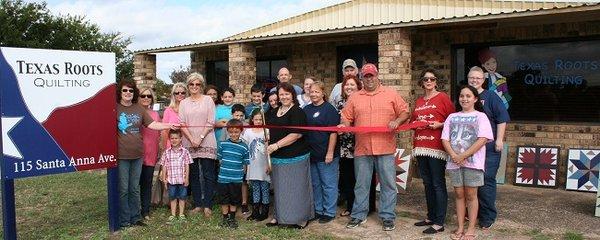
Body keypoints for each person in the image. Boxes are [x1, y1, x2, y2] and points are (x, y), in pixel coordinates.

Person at [339, 63, 409, 231]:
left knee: (388, 184)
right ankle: (358, 215)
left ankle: (387, 216)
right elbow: (346, 117)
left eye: (372, 75)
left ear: (377, 76)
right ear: (361, 78)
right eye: (366, 76)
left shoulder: (391, 94)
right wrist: (344, 125)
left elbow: (405, 112)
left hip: (385, 148)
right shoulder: (354, 97)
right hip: (362, 149)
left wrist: (397, 121)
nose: (369, 79)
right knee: (361, 184)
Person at [116, 81, 178, 228]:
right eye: (125, 90)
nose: (128, 93)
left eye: (131, 91)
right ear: (120, 92)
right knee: (124, 189)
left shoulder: (139, 109)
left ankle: (136, 217)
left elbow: (152, 124)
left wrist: (169, 125)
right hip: (121, 155)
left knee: (134, 188)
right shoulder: (115, 108)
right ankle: (125, 220)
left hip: (138, 154)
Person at [441, 85, 494, 240]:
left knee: (471, 195)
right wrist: (454, 155)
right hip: (454, 162)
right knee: (458, 194)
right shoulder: (451, 117)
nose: (464, 99)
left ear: (475, 99)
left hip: (473, 162)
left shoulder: (481, 117)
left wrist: (463, 155)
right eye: (462, 96)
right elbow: (445, 138)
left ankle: (470, 229)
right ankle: (460, 227)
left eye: (468, 96)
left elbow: (483, 139)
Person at [411, 69, 455, 234]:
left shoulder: (443, 98)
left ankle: (439, 222)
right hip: (421, 146)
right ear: (422, 82)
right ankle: (431, 216)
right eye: (425, 79)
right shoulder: (419, 101)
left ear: (436, 82)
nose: (428, 81)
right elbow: (413, 120)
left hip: (436, 147)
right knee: (427, 183)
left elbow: (453, 119)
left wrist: (440, 125)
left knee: (437, 183)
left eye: (432, 79)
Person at [265, 82, 314, 229]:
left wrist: (276, 145)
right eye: (281, 94)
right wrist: (267, 137)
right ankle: (279, 216)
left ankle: (301, 218)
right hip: (277, 158)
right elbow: (269, 130)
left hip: (295, 157)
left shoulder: (298, 112)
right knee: (280, 189)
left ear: (292, 95)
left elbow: (296, 134)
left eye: (287, 94)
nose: (284, 97)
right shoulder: (273, 112)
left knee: (297, 189)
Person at [467, 66, 510, 230]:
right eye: (472, 78)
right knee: (471, 182)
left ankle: (487, 217)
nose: (474, 80)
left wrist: (499, 139)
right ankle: (472, 213)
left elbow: (502, 119)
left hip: (489, 149)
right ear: (468, 78)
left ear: (483, 80)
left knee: (486, 182)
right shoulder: (465, 97)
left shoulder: (491, 96)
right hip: (470, 149)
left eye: (478, 78)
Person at [179, 72, 218, 217]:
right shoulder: (183, 102)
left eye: (197, 84)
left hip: (207, 139)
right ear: (188, 86)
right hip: (189, 142)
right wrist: (191, 139)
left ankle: (208, 204)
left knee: (208, 174)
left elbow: (211, 122)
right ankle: (197, 204)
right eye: (191, 84)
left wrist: (200, 138)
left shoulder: (208, 100)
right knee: (193, 174)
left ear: (201, 86)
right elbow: (182, 123)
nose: (194, 86)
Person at [303, 80, 340, 224]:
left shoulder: (329, 109)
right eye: (311, 91)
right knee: (315, 184)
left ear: (323, 93)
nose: (313, 94)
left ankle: (329, 211)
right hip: (312, 154)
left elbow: (333, 133)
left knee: (328, 184)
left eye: (317, 91)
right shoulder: (306, 109)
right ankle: (318, 210)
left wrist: (330, 153)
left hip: (326, 154)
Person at [334, 75, 362, 217]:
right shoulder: (339, 102)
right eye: (346, 84)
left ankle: (364, 207)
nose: (349, 87)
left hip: (360, 144)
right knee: (347, 177)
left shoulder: (362, 100)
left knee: (361, 178)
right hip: (344, 145)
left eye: (352, 85)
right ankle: (350, 207)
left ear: (358, 87)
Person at [216, 119, 250, 229]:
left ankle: (232, 218)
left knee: (234, 200)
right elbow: (220, 160)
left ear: (241, 131)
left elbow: (245, 164)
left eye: (236, 132)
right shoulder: (223, 144)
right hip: (223, 178)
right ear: (228, 131)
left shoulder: (244, 147)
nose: (233, 134)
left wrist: (241, 175)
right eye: (231, 132)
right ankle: (225, 218)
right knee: (224, 199)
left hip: (236, 179)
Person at [242, 109, 271, 221]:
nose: (258, 121)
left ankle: (264, 212)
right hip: (252, 164)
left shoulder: (266, 131)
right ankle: (255, 211)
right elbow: (245, 148)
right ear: (252, 120)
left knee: (264, 187)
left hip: (263, 164)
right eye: (256, 119)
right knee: (255, 188)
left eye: (260, 119)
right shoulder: (248, 132)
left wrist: (269, 164)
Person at [138, 87, 161, 221]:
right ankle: (134, 209)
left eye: (149, 96)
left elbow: (158, 134)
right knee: (134, 184)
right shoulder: (134, 112)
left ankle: (145, 210)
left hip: (151, 153)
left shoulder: (155, 114)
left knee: (147, 183)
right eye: (143, 96)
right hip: (136, 153)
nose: (146, 98)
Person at [159, 129, 193, 222]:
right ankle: (173, 215)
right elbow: (164, 166)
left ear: (181, 139)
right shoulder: (166, 152)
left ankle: (181, 214)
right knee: (172, 197)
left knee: (182, 197)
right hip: (171, 180)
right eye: (172, 138)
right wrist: (164, 178)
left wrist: (187, 178)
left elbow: (187, 165)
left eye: (176, 138)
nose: (174, 140)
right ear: (169, 139)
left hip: (182, 179)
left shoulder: (185, 152)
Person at [230, 103, 250, 214]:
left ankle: (244, 202)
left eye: (241, 116)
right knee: (232, 182)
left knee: (243, 181)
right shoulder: (228, 126)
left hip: (242, 157)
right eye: (236, 115)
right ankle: (233, 202)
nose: (239, 118)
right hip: (231, 157)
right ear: (232, 115)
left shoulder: (247, 126)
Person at [162, 82, 187, 149]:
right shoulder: (168, 111)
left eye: (182, 93)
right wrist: (163, 148)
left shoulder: (189, 110)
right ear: (173, 95)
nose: (180, 94)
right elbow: (164, 131)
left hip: (187, 145)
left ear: (186, 94)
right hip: (172, 146)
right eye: (177, 93)